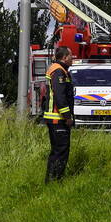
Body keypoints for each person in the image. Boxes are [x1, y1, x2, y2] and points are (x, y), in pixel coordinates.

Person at [44, 46, 74, 182]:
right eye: (71, 56)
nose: (72, 58)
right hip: (58, 119)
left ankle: (52, 180)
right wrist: (67, 117)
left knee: (57, 151)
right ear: (65, 57)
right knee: (61, 152)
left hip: (56, 118)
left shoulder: (59, 69)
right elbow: (60, 97)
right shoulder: (59, 71)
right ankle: (55, 181)